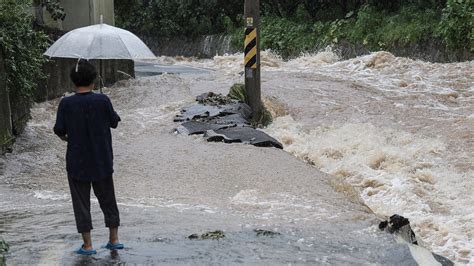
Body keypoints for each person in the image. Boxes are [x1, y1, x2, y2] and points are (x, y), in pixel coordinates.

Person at [54, 60, 123, 255]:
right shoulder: (102, 100)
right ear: (94, 80)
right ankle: (114, 239)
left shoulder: (66, 103)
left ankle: (88, 245)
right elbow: (114, 122)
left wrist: (67, 138)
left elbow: (59, 130)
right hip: (102, 160)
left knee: (81, 203)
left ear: (73, 82)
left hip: (77, 162)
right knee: (108, 199)